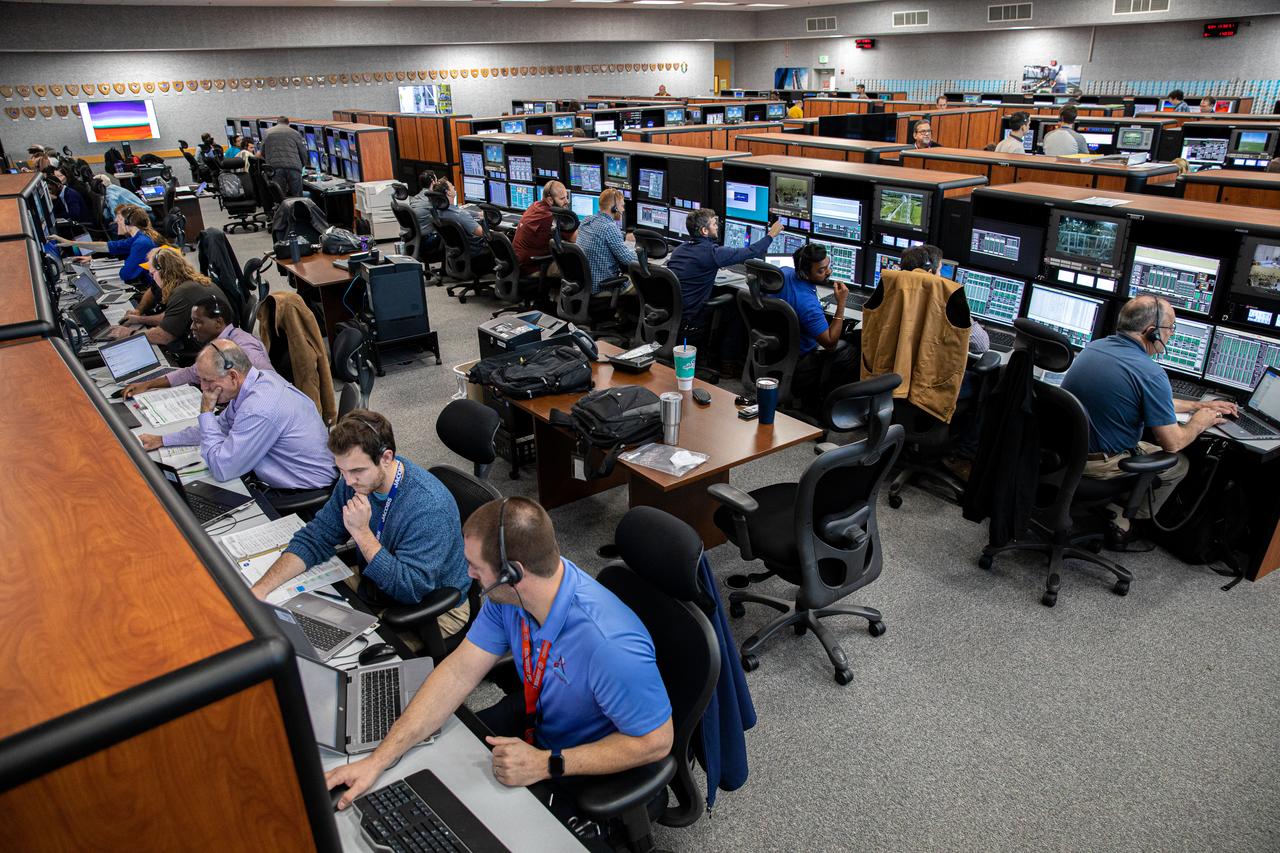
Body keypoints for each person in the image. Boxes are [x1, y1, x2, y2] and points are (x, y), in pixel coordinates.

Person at [324, 496, 673, 811]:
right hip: (542, 726)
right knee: (431, 772)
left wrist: (546, 763)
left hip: (585, 762)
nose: (468, 574)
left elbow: (656, 742)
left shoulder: (609, 646)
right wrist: (377, 760)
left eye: (475, 566)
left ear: (513, 572)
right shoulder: (508, 598)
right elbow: (458, 673)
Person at [250, 410, 472, 623]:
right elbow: (317, 537)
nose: (348, 482)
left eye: (356, 471)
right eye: (342, 471)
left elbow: (411, 589)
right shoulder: (357, 481)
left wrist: (361, 533)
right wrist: (260, 589)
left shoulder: (427, 508)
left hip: (432, 610)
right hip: (376, 586)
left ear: (386, 458)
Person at [1060, 295, 1237, 547]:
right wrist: (1200, 422)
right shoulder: (1151, 373)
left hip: (1063, 452)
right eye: (1170, 328)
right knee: (1179, 464)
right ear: (1151, 332)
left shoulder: (1095, 348)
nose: (1172, 335)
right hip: (1097, 464)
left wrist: (1199, 405)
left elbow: (1139, 399)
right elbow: (1172, 443)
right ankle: (1127, 522)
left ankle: (1112, 506)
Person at [137, 339, 337, 491]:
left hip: (304, 490)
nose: (203, 388)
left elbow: (222, 469)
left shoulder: (259, 408)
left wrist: (206, 411)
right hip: (282, 473)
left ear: (233, 376)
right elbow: (220, 426)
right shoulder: (256, 382)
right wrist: (164, 440)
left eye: (208, 381)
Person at [666, 207, 782, 365]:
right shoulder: (712, 253)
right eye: (714, 224)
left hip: (676, 314)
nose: (717, 226)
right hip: (692, 319)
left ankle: (719, 358)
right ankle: (727, 361)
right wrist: (771, 235)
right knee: (736, 306)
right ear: (704, 231)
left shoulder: (679, 250)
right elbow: (752, 251)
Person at [122, 296, 268, 398]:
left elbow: (267, 381)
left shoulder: (244, 347)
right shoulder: (219, 344)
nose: (192, 327)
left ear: (218, 322)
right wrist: (147, 385)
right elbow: (192, 373)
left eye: (198, 322)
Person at [109, 247, 234, 353]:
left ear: (163, 272)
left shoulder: (182, 293)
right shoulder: (191, 282)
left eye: (152, 274)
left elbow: (163, 336)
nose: (152, 278)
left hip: (210, 350)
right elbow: (171, 317)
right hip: (222, 340)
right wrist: (140, 319)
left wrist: (129, 334)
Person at [772, 242, 854, 397]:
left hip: (777, 350)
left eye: (828, 266)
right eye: (821, 271)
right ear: (805, 274)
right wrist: (841, 302)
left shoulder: (783, 273)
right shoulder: (808, 304)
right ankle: (824, 403)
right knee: (850, 352)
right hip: (802, 360)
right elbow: (830, 343)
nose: (828, 272)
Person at [53, 203, 160, 288]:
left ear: (128, 222)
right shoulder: (140, 237)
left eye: (119, 219)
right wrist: (72, 243)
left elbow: (126, 274)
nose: (115, 221)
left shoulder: (141, 243)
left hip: (151, 287)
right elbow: (108, 246)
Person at [430, 178, 495, 276]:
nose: (454, 187)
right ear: (448, 192)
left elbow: (459, 211)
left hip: (457, 257)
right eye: (452, 186)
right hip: (476, 257)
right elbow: (484, 234)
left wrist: (478, 214)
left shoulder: (437, 213)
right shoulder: (461, 215)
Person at [575, 188, 636, 292]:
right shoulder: (609, 228)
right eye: (622, 206)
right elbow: (628, 260)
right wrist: (643, 255)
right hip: (601, 287)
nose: (623, 210)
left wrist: (624, 236)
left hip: (583, 284)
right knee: (640, 286)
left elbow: (604, 237)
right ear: (614, 208)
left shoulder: (587, 220)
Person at [513, 180, 576, 276]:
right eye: (562, 199)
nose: (567, 201)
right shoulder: (550, 217)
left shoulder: (535, 206)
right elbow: (575, 239)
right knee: (578, 265)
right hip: (532, 267)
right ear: (550, 200)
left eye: (567, 197)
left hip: (518, 263)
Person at [261, 116, 307, 198]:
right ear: (288, 123)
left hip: (275, 167)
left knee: (280, 195)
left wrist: (269, 162)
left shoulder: (267, 132)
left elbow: (262, 151)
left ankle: (283, 210)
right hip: (294, 167)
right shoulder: (294, 133)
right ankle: (298, 210)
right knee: (297, 196)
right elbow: (302, 152)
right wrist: (302, 165)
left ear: (277, 122)